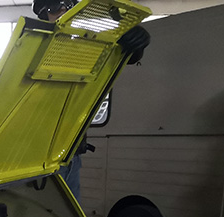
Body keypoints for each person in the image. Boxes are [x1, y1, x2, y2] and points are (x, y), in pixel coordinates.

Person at [31, 0, 149, 200]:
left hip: (70, 157)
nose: (63, 10)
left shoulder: (84, 48)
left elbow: (114, 57)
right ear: (43, 13)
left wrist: (133, 46)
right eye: (54, 6)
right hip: (33, 161)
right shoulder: (33, 48)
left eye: (68, 4)